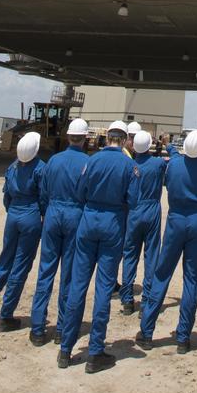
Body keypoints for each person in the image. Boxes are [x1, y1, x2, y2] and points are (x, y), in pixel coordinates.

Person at [57, 120, 139, 372]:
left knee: (77, 284)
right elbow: (133, 200)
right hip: (112, 223)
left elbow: (80, 191)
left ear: (106, 139)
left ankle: (65, 349)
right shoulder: (130, 165)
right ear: (125, 140)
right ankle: (95, 352)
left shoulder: (90, 160)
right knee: (104, 288)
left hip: (88, 221)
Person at [137, 129, 197, 353]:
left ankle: (147, 332)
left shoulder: (173, 166)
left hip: (175, 220)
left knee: (162, 273)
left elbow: (169, 184)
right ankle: (183, 338)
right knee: (192, 279)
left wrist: (166, 143)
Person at [28, 117, 89, 346]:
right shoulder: (87, 163)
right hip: (75, 215)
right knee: (69, 274)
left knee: (45, 271)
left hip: (53, 214)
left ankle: (37, 328)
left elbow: (43, 192)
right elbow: (88, 192)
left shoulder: (53, 161)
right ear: (84, 138)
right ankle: (63, 328)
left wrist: (46, 213)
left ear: (67, 136)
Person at [0, 131, 45, 332]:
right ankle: (6, 315)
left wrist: (13, 210)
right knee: (21, 265)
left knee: (4, 261)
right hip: (31, 216)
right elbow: (44, 198)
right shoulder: (41, 169)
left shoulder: (12, 167)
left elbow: (6, 197)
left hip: (13, 215)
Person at [120, 130, 167, 315]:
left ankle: (127, 300)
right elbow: (172, 161)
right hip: (152, 210)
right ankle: (147, 299)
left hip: (133, 211)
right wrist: (162, 143)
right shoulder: (157, 164)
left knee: (130, 255)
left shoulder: (129, 165)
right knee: (151, 255)